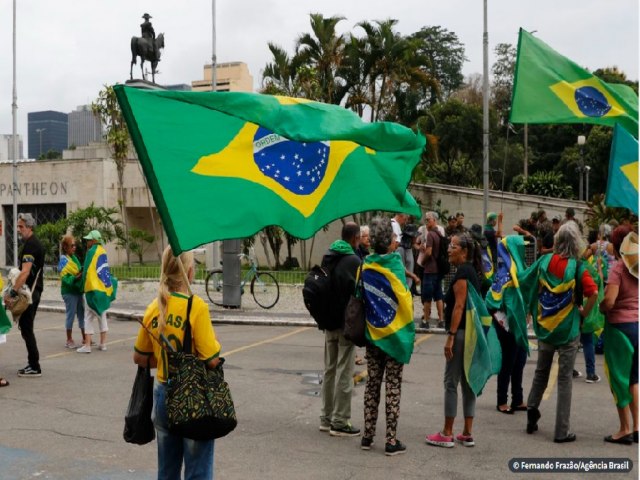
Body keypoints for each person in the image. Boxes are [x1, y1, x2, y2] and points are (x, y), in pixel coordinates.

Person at [134, 246, 221, 478]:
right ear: (189, 273)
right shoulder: (196, 307)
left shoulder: (154, 307)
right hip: (192, 397)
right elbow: (211, 360)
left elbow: (140, 357)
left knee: (167, 470)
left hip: (162, 392)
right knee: (198, 471)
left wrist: (166, 359)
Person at [520, 222, 598, 443]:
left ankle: (531, 413)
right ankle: (561, 431)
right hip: (568, 330)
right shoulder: (578, 267)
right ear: (576, 243)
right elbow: (592, 293)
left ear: (557, 241)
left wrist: (529, 308)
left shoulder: (544, 260)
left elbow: (527, 281)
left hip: (546, 327)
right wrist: (583, 313)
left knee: (541, 372)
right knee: (564, 380)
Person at [360, 216, 415, 455]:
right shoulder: (395, 265)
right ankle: (391, 440)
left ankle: (367, 435)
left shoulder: (364, 266)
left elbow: (361, 297)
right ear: (389, 242)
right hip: (394, 337)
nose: (396, 241)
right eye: (394, 238)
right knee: (393, 385)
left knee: (372, 384)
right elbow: (404, 299)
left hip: (373, 335)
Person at [426, 233, 485, 448]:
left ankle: (447, 433)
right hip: (470, 335)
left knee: (451, 382)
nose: (449, 249)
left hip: (460, 334)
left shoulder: (462, 272)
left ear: (464, 251)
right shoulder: (471, 271)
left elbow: (459, 306)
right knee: (468, 383)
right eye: (449, 246)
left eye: (453, 246)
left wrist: (450, 337)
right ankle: (467, 433)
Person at [319, 222, 362, 436]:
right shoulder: (354, 261)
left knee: (329, 370)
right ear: (355, 239)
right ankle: (340, 420)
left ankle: (325, 417)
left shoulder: (328, 255)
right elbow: (358, 291)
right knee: (345, 370)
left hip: (328, 321)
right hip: (346, 322)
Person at [600, 227, 638, 445]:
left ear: (616, 245)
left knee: (618, 379)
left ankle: (624, 429)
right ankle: (637, 426)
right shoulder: (638, 267)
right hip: (638, 325)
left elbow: (610, 301)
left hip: (620, 328)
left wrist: (602, 307)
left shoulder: (618, 268)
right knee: (635, 378)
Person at [13, 213, 44, 377]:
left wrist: (12, 292)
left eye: (21, 227)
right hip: (34, 291)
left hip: (30, 293)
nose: (19, 230)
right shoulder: (33, 243)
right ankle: (33, 363)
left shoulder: (31, 245)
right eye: (18, 226)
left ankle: (34, 365)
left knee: (27, 329)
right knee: (26, 329)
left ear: (29, 227)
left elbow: (25, 273)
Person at [77, 230, 116, 353]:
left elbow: (86, 271)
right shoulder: (103, 251)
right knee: (102, 316)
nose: (87, 242)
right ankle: (103, 344)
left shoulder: (91, 252)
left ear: (93, 241)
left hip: (91, 289)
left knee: (88, 317)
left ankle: (87, 345)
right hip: (103, 290)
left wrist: (81, 286)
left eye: (89, 240)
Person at [418, 212, 444, 329]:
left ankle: (426, 321)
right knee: (438, 296)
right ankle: (441, 320)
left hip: (430, 270)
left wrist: (423, 262)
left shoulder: (430, 235)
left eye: (428, 220)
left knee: (427, 296)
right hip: (438, 269)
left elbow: (428, 252)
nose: (426, 222)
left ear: (434, 220)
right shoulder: (439, 234)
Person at [58, 234, 85, 348]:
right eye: (72, 245)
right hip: (69, 292)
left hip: (78, 290)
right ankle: (69, 339)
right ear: (65, 247)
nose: (74, 247)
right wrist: (76, 277)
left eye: (75, 245)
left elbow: (78, 270)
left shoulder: (74, 258)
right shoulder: (64, 261)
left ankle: (85, 338)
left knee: (82, 315)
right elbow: (65, 279)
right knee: (71, 315)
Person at [397, 224, 421, 291]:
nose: (416, 238)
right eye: (415, 236)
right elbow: (401, 268)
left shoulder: (409, 248)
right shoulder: (400, 249)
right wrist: (414, 276)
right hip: (402, 286)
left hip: (409, 285)